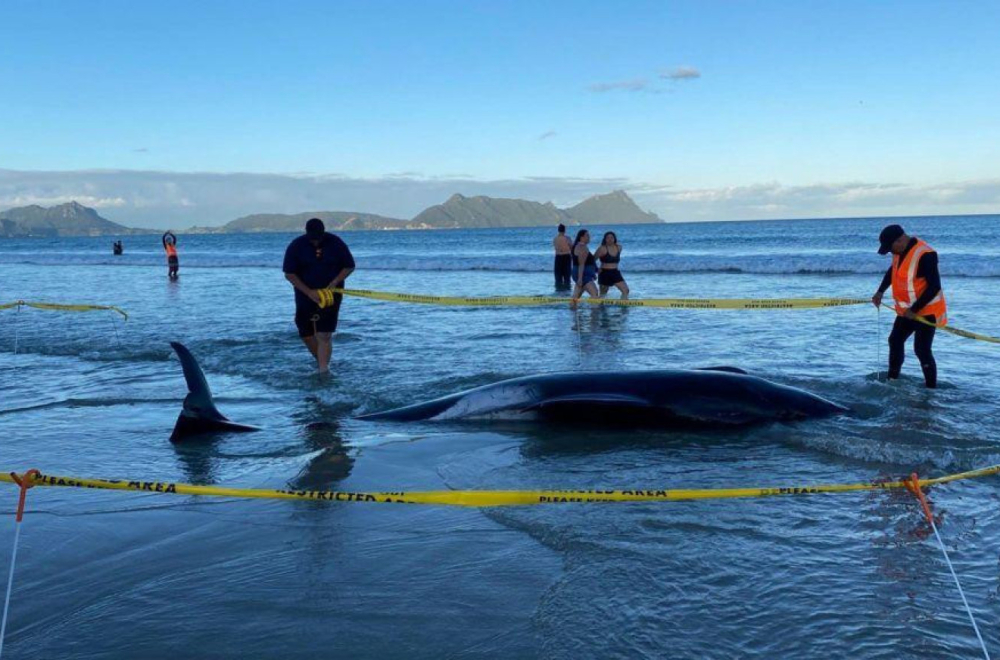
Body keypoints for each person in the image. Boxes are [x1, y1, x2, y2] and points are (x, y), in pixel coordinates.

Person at [871, 224, 946, 388]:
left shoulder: (926, 254)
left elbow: (935, 286)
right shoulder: (899, 251)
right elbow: (893, 271)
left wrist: (915, 309)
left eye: (891, 248)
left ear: (900, 240)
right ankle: (892, 381)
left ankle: (931, 389)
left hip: (926, 311)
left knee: (921, 349)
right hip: (907, 311)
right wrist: (880, 291)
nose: (891, 252)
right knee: (895, 340)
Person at [283, 218, 356, 374]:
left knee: (324, 334)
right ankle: (321, 360)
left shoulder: (336, 243)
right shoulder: (296, 246)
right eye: (313, 239)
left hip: (331, 293)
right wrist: (309, 292)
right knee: (305, 332)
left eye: (319, 238)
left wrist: (335, 282)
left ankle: (324, 370)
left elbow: (349, 266)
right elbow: (289, 274)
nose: (316, 242)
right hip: (304, 293)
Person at [595, 231, 629, 299]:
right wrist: (596, 269)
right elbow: (592, 260)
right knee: (603, 294)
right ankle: (600, 307)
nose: (610, 239)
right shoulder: (602, 248)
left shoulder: (619, 247)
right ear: (605, 239)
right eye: (608, 238)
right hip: (604, 273)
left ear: (614, 239)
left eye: (611, 237)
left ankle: (623, 306)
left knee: (625, 290)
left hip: (615, 272)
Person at [570, 229, 599, 305]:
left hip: (582, 273)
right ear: (581, 237)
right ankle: (594, 315)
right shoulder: (582, 247)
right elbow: (581, 264)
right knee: (594, 293)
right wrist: (580, 279)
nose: (589, 237)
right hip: (583, 275)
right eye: (587, 236)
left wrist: (594, 272)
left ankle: (572, 313)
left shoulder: (578, 246)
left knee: (576, 296)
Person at [553, 224, 573, 289]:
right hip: (566, 256)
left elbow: (555, 247)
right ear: (564, 230)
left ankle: (558, 289)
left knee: (558, 275)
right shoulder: (567, 238)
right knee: (567, 275)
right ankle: (567, 289)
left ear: (558, 230)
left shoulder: (555, 239)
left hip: (558, 257)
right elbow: (571, 247)